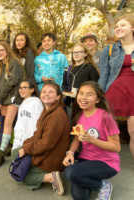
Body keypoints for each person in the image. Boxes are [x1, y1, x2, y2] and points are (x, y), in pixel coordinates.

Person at [63, 81, 120, 200]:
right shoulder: (79, 115)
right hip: (86, 159)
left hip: (107, 163)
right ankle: (96, 180)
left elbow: (116, 147)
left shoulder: (105, 116)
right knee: (78, 196)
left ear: (98, 99)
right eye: (81, 93)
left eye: (89, 94)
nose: (83, 97)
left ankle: (103, 185)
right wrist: (70, 153)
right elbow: (77, 140)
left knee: (70, 173)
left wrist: (91, 139)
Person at [17, 81, 70, 195]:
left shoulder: (57, 115)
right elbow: (37, 134)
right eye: (44, 91)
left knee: (21, 176)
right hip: (46, 150)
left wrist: (26, 149)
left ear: (58, 97)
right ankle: (39, 171)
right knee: (15, 153)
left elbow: (46, 144)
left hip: (52, 157)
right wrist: (25, 145)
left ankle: (51, 177)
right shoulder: (47, 110)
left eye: (51, 92)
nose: (46, 94)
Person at [98, 14, 134, 159]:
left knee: (133, 133)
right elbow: (104, 75)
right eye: (117, 26)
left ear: (132, 28)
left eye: (123, 25)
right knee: (106, 133)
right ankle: (104, 164)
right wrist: (99, 97)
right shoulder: (110, 50)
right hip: (113, 93)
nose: (118, 28)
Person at [0, 41, 24, 168]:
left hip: (14, 98)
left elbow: (12, 82)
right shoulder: (2, 65)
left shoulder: (13, 62)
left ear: (7, 50)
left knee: (7, 124)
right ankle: (10, 147)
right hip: (5, 98)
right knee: (9, 125)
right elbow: (1, 84)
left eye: (1, 50)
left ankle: (1, 152)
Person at [62, 43, 99, 123]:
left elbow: (95, 86)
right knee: (72, 128)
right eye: (74, 52)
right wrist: (67, 92)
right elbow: (64, 85)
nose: (76, 54)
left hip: (85, 104)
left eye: (79, 52)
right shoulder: (67, 69)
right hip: (70, 104)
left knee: (84, 127)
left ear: (85, 54)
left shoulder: (90, 68)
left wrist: (82, 93)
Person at [12, 79, 43, 152]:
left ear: (32, 90)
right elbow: (19, 126)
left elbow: (38, 124)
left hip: (31, 143)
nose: (21, 90)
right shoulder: (22, 104)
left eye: (24, 88)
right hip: (21, 143)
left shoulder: (36, 103)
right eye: (20, 88)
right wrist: (16, 144)